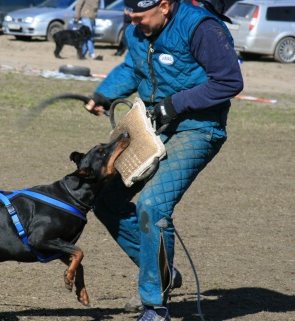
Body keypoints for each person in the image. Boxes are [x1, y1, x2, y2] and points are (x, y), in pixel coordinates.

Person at [83, 0, 243, 320]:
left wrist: (175, 104)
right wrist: (104, 93)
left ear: (165, 6)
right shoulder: (138, 30)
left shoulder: (202, 28)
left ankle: (155, 305)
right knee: (106, 200)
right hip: (152, 127)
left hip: (198, 129)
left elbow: (229, 81)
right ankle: (163, 269)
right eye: (130, 15)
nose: (134, 21)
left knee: (152, 206)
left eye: (140, 15)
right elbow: (132, 67)